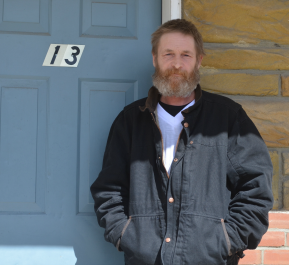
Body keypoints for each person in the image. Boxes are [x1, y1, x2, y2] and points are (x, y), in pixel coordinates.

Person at [90, 19, 273, 265]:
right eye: (169, 54)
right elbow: (109, 189)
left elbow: (256, 188)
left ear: (199, 60)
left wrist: (228, 241)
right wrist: (126, 235)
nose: (177, 64)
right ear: (155, 58)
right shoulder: (131, 121)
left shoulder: (228, 117)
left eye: (186, 55)